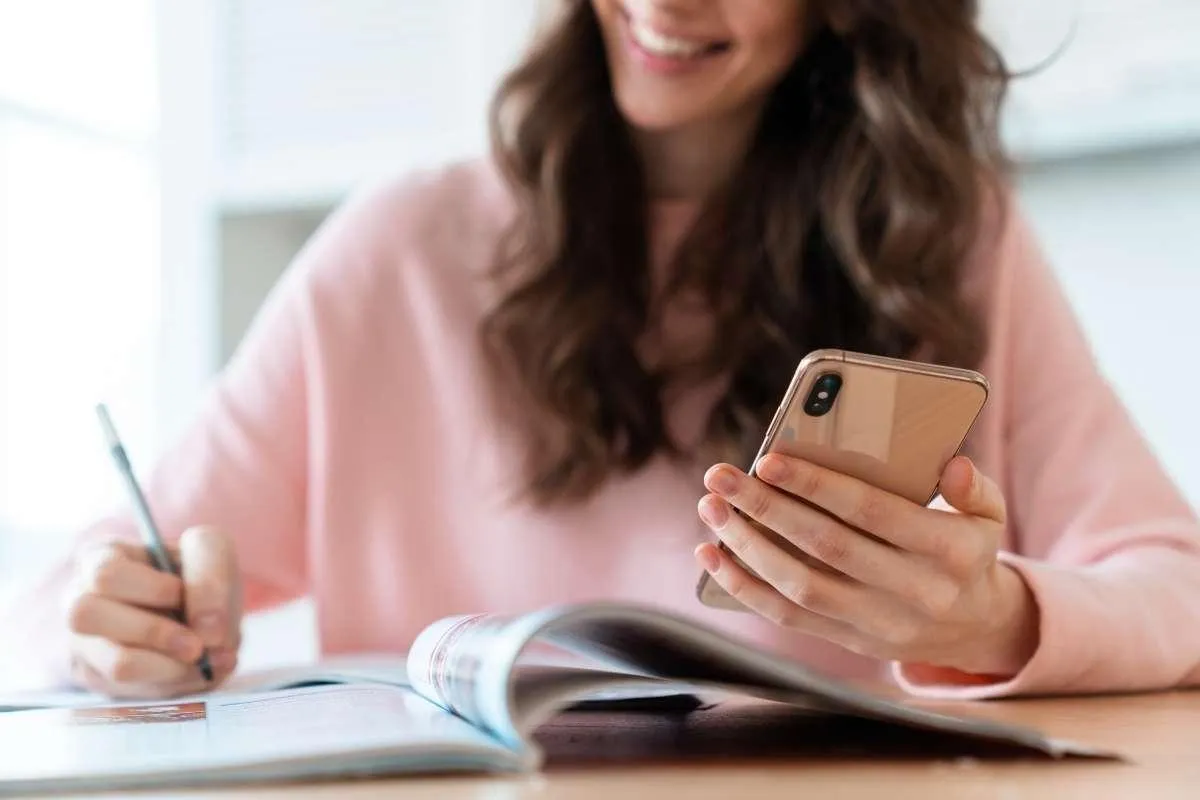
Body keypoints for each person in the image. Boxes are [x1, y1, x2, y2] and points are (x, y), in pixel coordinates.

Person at [7, 0, 1200, 701]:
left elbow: (1176, 585)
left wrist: (984, 620)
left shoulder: (953, 245)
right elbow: (81, 594)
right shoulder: (396, 249)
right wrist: (122, 619)